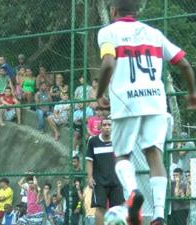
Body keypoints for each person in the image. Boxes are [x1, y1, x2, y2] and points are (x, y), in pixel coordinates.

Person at [96, 1, 196, 225]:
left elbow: (109, 63)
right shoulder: (154, 34)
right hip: (155, 102)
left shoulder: (108, 32)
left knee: (122, 155)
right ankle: (159, 214)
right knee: (154, 155)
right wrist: (191, 94)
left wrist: (99, 93)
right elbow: (185, 65)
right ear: (137, 11)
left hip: (126, 101)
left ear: (113, 11)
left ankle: (133, 193)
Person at [86, 118, 125, 225]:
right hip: (99, 182)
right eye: (105, 125)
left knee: (117, 210)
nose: (107, 127)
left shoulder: (118, 140)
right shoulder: (93, 141)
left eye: (109, 125)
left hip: (116, 182)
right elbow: (89, 161)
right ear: (100, 128)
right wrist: (90, 177)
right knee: (100, 208)